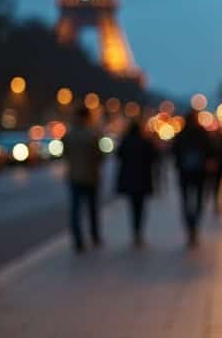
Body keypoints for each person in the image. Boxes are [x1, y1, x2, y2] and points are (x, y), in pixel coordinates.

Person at [62, 104, 104, 252]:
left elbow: (64, 154)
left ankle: (78, 240)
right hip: (91, 176)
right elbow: (100, 156)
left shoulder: (69, 135)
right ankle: (95, 236)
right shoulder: (92, 135)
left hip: (74, 177)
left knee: (75, 210)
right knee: (92, 209)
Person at [114, 120, 158, 247]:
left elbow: (119, 156)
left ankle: (135, 231)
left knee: (132, 206)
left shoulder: (125, 142)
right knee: (141, 207)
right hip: (143, 179)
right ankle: (138, 232)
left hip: (129, 179)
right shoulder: (145, 142)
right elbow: (153, 158)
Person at [170, 110, 211, 247]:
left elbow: (173, 151)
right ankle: (195, 224)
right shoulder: (202, 133)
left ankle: (190, 225)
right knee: (199, 200)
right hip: (199, 173)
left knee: (186, 200)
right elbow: (211, 150)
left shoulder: (181, 134)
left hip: (184, 172)